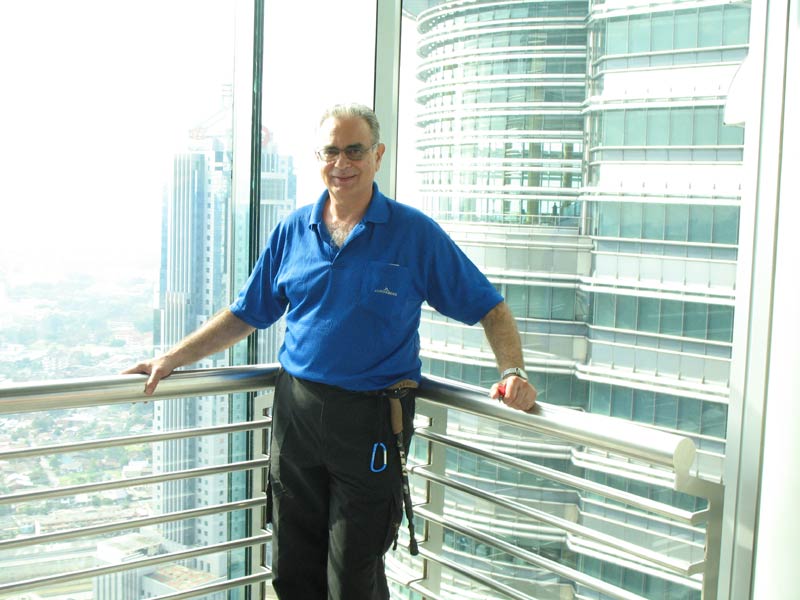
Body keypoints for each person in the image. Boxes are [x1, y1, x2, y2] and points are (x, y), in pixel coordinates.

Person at [124, 103, 537, 600]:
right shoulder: (292, 231)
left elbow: (490, 308)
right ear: (318, 158)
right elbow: (246, 313)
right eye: (331, 151)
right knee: (292, 572)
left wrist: (512, 370)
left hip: (371, 424)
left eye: (355, 150)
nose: (342, 162)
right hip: (296, 415)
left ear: (377, 155)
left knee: (352, 578)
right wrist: (173, 358)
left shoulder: (413, 234)